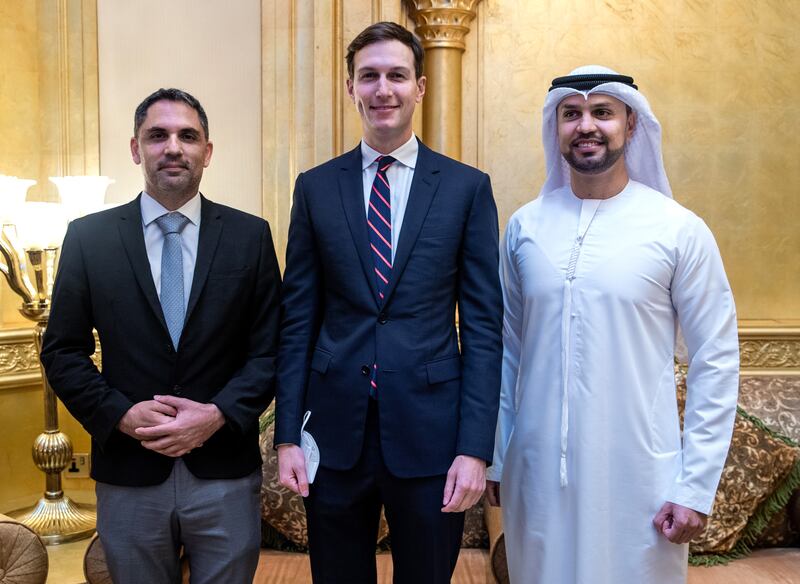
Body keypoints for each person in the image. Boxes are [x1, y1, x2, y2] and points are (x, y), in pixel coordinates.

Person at [486, 66, 740, 584]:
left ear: (631, 124)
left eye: (602, 112)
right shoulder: (524, 227)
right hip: (536, 478)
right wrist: (497, 457)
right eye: (571, 113)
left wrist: (695, 486)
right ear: (554, 127)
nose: (586, 125)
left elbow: (716, 359)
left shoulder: (678, 230)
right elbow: (507, 350)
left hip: (640, 480)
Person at [274, 21, 503, 583]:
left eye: (397, 76)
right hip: (333, 432)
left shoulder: (466, 189)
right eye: (369, 76)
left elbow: (482, 328)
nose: (383, 89)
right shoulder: (315, 187)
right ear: (350, 87)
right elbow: (297, 319)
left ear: (420, 87)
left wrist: (476, 449)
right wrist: (285, 437)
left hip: (432, 436)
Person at [41, 88, 281, 584]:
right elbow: (63, 351)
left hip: (223, 473)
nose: (173, 147)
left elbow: (271, 350)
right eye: (158, 135)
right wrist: (121, 415)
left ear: (207, 152)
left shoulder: (250, 237)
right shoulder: (88, 238)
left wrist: (216, 415)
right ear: (136, 149)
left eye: (187, 136)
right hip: (129, 472)